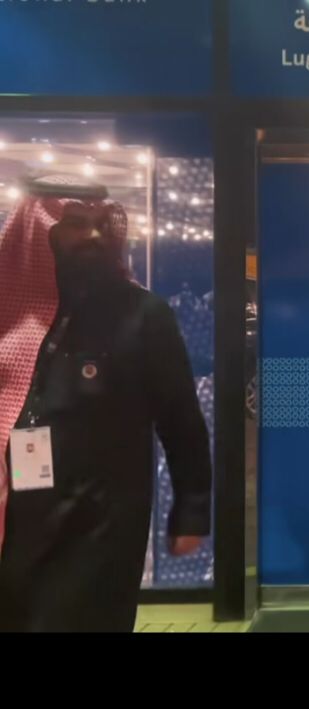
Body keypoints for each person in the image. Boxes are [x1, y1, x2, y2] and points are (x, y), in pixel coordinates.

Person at [0, 175, 212, 632]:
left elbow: (181, 421)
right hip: (17, 519)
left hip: (100, 525)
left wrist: (192, 507)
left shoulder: (143, 316)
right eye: (76, 223)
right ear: (40, 230)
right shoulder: (8, 310)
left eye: (100, 224)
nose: (92, 236)